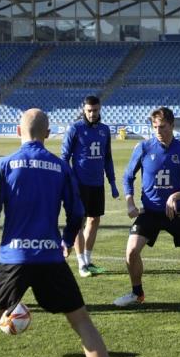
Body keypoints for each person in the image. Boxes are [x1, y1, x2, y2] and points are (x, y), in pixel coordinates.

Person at [0, 109, 121, 357]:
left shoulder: (4, 164)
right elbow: (77, 212)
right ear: (48, 135)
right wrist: (65, 241)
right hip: (50, 257)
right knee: (82, 323)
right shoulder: (60, 166)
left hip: (13, 258)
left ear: (18, 132)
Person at [113, 107, 180, 309]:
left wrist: (178, 195)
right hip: (150, 212)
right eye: (155, 127)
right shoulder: (143, 148)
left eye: (162, 127)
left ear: (172, 125)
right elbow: (128, 176)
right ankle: (137, 293)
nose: (158, 131)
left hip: (177, 212)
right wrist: (130, 202)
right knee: (131, 252)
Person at [62, 95, 119, 278]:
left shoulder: (104, 130)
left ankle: (88, 260)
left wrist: (112, 182)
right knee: (78, 222)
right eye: (89, 111)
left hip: (97, 184)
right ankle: (80, 264)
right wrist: (69, 181)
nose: (92, 114)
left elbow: (107, 158)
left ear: (99, 109)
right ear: (83, 110)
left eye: (95, 110)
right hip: (79, 184)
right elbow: (64, 157)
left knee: (94, 220)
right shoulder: (75, 129)